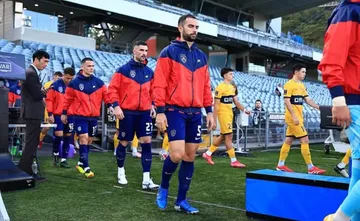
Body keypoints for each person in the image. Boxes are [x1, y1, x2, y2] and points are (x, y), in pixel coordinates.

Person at [153, 14, 214, 214]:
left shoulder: (201, 56)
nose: (194, 30)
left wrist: (210, 110)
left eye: (196, 27)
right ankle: (163, 187)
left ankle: (181, 201)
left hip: (195, 112)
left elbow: (206, 86)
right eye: (190, 26)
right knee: (177, 154)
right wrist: (160, 111)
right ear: (180, 28)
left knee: (189, 156)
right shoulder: (168, 52)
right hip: (174, 110)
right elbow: (159, 83)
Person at [319, 1, 359, 220]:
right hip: (355, 100)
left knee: (359, 170)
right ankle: (338, 219)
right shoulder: (349, 10)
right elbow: (332, 59)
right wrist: (339, 100)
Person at [109, 41, 159, 189]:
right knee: (124, 142)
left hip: (144, 112)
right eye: (141, 50)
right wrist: (116, 106)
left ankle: (146, 179)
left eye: (146, 50)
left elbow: (153, 92)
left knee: (147, 141)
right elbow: (112, 90)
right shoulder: (123, 70)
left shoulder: (149, 72)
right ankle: (121, 172)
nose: (144, 53)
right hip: (127, 112)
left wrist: (153, 105)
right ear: (134, 51)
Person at [61, 57, 111, 178]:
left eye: (93, 66)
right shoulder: (74, 83)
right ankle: (86, 166)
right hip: (79, 116)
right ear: (82, 67)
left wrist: (110, 106)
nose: (91, 68)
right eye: (89, 66)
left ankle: (80, 162)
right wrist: (64, 113)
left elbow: (107, 96)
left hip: (93, 117)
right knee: (83, 138)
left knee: (89, 140)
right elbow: (67, 99)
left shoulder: (99, 82)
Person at [276, 64, 326, 174]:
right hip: (293, 118)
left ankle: (280, 165)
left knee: (288, 140)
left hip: (298, 117)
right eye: (303, 72)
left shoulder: (302, 85)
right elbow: (286, 101)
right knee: (305, 139)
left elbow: (308, 100)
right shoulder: (289, 84)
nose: (305, 74)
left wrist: (319, 107)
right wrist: (294, 116)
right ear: (296, 72)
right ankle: (310, 168)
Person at [202, 68, 250, 167]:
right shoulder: (220, 88)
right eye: (230, 74)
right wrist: (214, 121)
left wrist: (244, 110)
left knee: (224, 136)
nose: (232, 75)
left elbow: (236, 102)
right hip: (223, 114)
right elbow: (216, 105)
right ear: (225, 75)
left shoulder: (232, 87)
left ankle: (208, 154)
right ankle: (233, 160)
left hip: (229, 114)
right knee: (229, 136)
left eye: (233, 74)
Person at [19, 50, 50, 181]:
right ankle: (25, 171)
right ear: (36, 60)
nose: (46, 64)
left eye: (48, 62)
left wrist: (41, 91)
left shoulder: (31, 73)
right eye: (44, 61)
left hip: (32, 113)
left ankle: (25, 169)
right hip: (32, 113)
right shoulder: (31, 73)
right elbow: (37, 95)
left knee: (32, 142)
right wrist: (43, 91)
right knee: (31, 143)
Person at [45, 67, 75, 168]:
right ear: (63, 75)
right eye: (67, 78)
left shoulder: (74, 86)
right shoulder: (55, 85)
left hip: (70, 115)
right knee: (59, 135)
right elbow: (49, 100)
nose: (69, 80)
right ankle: (56, 154)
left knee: (68, 136)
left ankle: (64, 159)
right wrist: (50, 114)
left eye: (71, 78)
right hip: (58, 114)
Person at [38, 71, 63, 149]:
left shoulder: (62, 85)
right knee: (47, 127)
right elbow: (43, 96)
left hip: (58, 110)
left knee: (60, 128)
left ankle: (59, 145)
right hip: (49, 109)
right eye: (57, 78)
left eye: (60, 78)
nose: (58, 79)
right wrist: (46, 105)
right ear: (54, 77)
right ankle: (40, 140)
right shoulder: (48, 84)